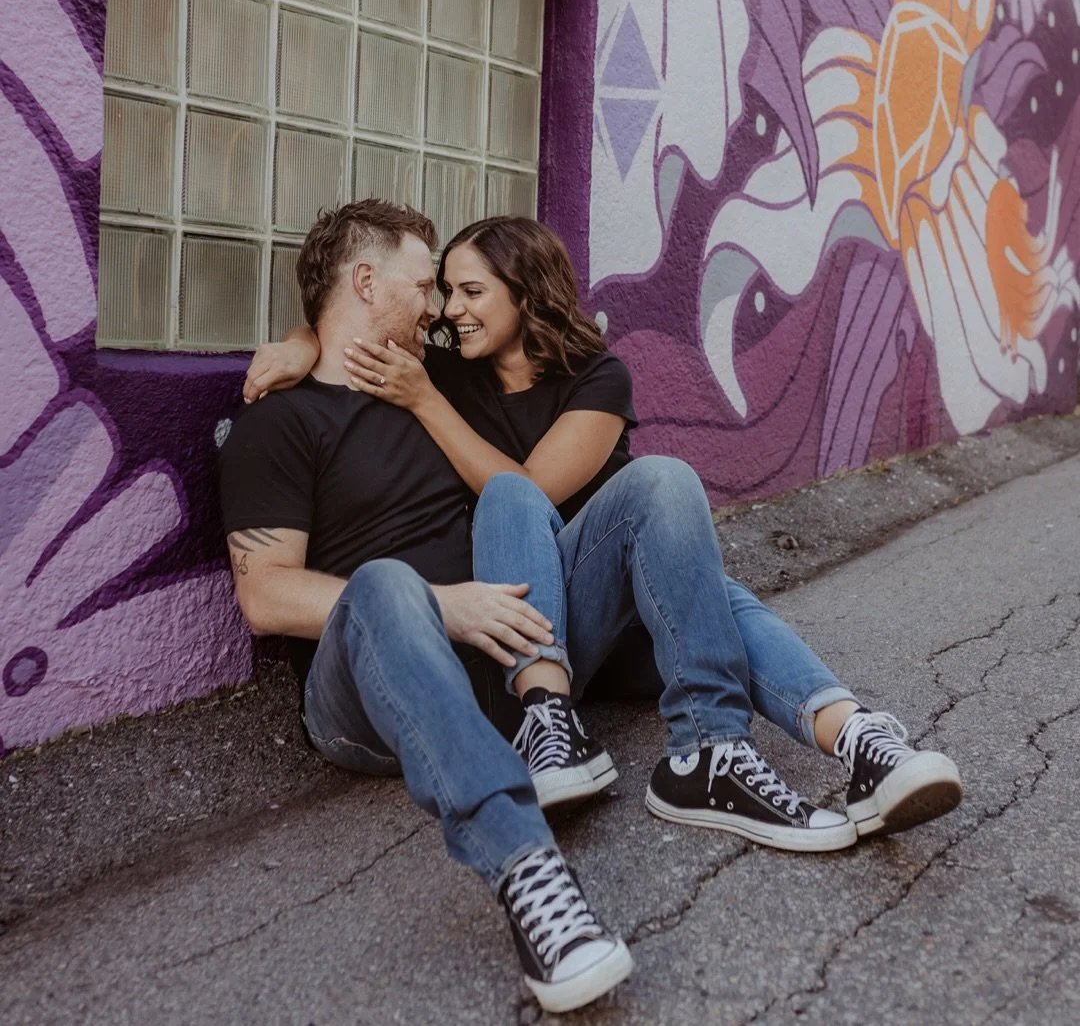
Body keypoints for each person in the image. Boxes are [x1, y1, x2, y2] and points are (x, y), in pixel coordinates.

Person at [250, 213, 964, 854]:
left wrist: (424, 400)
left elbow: (530, 486)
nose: (446, 310)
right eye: (440, 291)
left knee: (633, 494)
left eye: (469, 293)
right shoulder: (445, 362)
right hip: (528, 621)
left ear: (524, 293)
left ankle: (845, 738)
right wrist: (300, 342)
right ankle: (560, 724)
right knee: (525, 503)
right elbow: (351, 319)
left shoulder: (587, 379)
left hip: (617, 598)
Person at [218, 200, 634, 1015]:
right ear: (367, 282)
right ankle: (531, 876)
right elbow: (264, 593)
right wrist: (440, 606)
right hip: (366, 697)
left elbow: (517, 455)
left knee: (630, 496)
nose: (441, 309)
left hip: (496, 663)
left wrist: (317, 340)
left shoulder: (434, 383)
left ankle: (627, 730)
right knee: (384, 583)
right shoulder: (278, 424)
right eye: (423, 285)